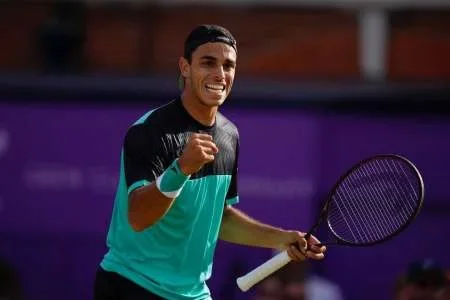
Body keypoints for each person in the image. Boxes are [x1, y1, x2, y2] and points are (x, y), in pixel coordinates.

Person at [94, 24, 326, 300]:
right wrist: (180, 170)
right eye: (208, 62)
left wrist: (282, 238)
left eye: (228, 65)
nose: (220, 74)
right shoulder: (149, 131)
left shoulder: (229, 136)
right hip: (131, 285)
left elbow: (221, 220)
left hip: (192, 293)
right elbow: (138, 218)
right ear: (185, 67)